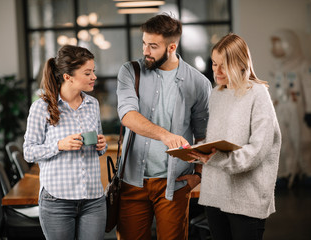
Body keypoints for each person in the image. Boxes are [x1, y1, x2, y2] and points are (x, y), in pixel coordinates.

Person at [116, 13, 212, 240]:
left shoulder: (198, 83)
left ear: (171, 47)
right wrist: (165, 135)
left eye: (153, 46)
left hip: (175, 184)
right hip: (132, 182)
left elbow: (204, 136)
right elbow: (127, 115)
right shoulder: (130, 72)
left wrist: (198, 175)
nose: (145, 51)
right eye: (144, 43)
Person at [188, 33, 281, 240]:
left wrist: (215, 157)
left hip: (246, 199)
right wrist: (197, 149)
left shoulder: (258, 94)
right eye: (214, 64)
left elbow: (258, 150)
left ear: (241, 64)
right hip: (215, 195)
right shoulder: (217, 94)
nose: (217, 71)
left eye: (224, 65)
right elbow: (218, 140)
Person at [23, 45, 107, 240]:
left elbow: (98, 147)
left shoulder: (92, 104)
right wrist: (59, 145)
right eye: (87, 73)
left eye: (93, 71)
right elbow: (28, 152)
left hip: (93, 198)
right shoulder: (41, 107)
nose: (94, 76)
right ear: (68, 77)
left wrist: (100, 146)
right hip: (57, 200)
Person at [269, 29, 311, 188]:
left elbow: (310, 89)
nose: (275, 49)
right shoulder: (279, 67)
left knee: (304, 140)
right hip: (282, 110)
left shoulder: (304, 66)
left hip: (299, 111)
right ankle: (288, 173)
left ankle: (308, 172)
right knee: (284, 142)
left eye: (279, 45)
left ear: (289, 45)